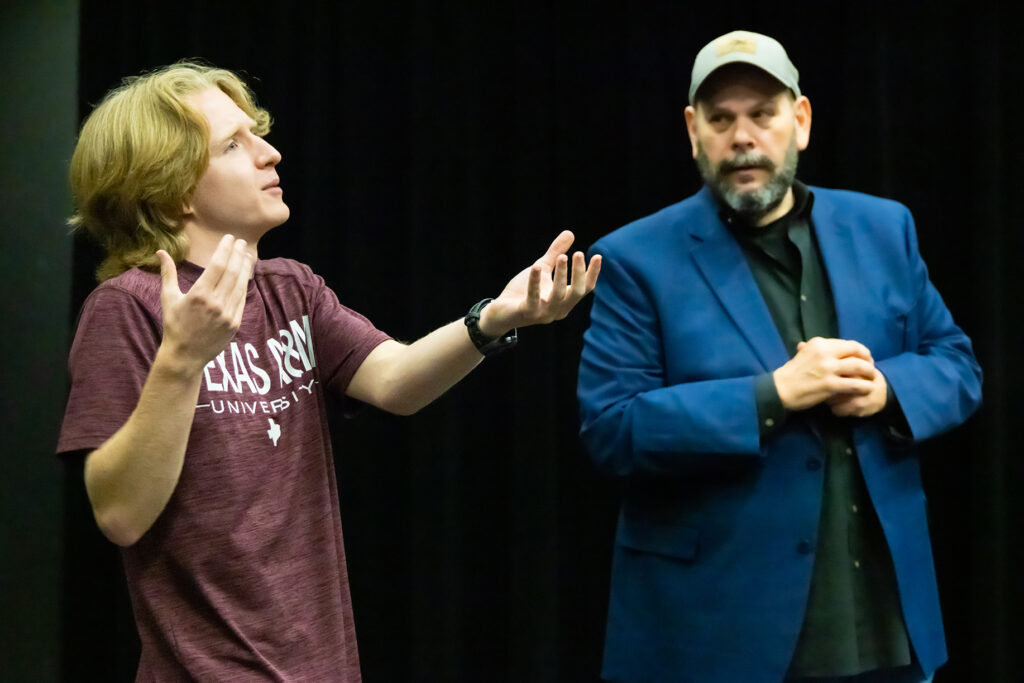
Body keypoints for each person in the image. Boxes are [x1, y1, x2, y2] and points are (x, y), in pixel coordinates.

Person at [57, 61, 601, 681]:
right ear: (175, 186)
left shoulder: (291, 289)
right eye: (234, 144)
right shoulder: (127, 307)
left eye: (257, 134)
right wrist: (182, 360)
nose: (270, 154)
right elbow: (120, 513)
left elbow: (394, 381)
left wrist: (494, 319)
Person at [577, 30, 982, 683]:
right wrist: (773, 394)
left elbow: (957, 364)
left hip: (882, 625)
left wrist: (887, 388)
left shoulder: (883, 228)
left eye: (763, 114)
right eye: (721, 119)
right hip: (718, 635)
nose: (743, 136)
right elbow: (612, 428)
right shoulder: (635, 259)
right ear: (692, 131)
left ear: (801, 120)